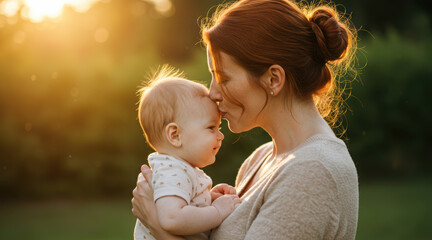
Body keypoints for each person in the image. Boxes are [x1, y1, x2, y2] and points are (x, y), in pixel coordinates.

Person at [132, 0, 359, 239]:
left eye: (223, 78)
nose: (213, 93)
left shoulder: (314, 171)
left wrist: (158, 226)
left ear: (273, 79)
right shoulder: (260, 159)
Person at [134, 69, 241, 240]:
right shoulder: (171, 172)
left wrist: (209, 197)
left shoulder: (178, 169)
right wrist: (217, 211)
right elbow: (172, 218)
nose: (220, 136)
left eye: (218, 128)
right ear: (175, 135)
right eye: (211, 127)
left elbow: (184, 204)